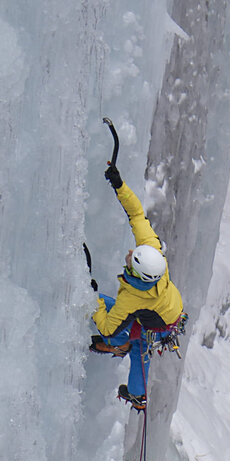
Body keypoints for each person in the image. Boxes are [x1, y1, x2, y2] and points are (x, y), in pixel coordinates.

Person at [89, 157, 185, 411]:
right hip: (169, 313)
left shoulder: (134, 298)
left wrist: (90, 296)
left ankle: (124, 357)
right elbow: (136, 214)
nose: (130, 254)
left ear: (137, 272)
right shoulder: (152, 250)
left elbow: (108, 326)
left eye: (132, 259)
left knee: (116, 320)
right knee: (136, 339)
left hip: (158, 322)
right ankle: (137, 390)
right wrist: (119, 185)